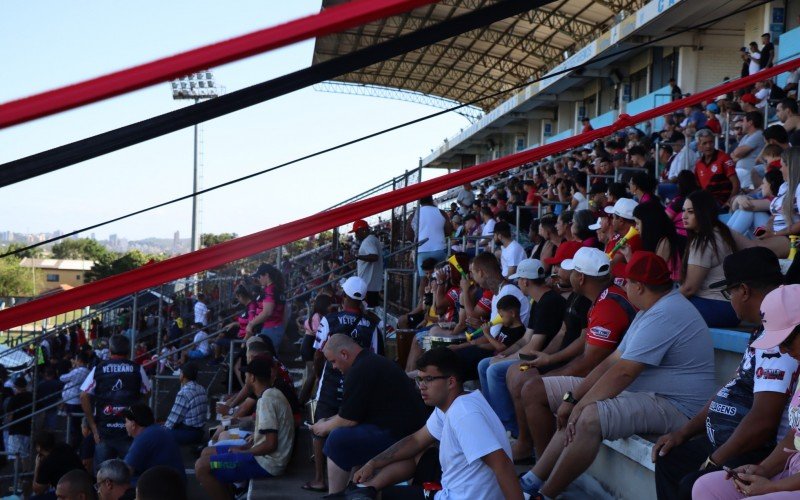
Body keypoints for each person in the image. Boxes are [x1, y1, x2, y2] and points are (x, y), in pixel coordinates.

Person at [519, 252, 715, 498]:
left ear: (639, 287)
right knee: (552, 393)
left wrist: (581, 404)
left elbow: (623, 373)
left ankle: (545, 494)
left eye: (626, 282)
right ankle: (533, 478)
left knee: (589, 416)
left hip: (678, 407)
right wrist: (573, 398)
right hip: (647, 393)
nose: (621, 285)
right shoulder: (649, 308)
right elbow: (610, 361)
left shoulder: (666, 312)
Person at [653, 248, 797, 499]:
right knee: (671, 460)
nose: (729, 300)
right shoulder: (764, 333)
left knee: (693, 483)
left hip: (757, 448)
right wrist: (684, 432)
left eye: (728, 292)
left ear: (743, 290)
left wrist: (715, 460)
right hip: (737, 444)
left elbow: (764, 421)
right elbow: (731, 386)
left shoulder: (784, 339)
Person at [350, 347, 523, 500]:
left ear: (451, 382)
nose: (421, 386)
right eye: (420, 379)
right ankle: (365, 489)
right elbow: (416, 440)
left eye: (429, 379)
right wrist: (373, 463)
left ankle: (364, 492)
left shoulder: (464, 414)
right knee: (423, 456)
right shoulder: (453, 403)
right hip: (455, 489)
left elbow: (502, 465)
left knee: (380, 497)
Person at [515, 247, 637, 460]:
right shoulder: (605, 295)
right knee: (527, 379)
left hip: (624, 384)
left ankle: (543, 462)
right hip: (613, 375)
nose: (567, 275)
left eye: (571, 271)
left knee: (532, 389)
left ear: (580, 278)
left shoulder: (608, 305)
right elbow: (586, 348)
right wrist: (551, 360)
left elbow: (589, 364)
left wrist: (549, 377)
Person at [692, 285, 800, 498]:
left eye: (786, 341)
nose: (783, 351)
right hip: (792, 470)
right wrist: (763, 469)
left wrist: (773, 487)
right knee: (705, 488)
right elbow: (795, 436)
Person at [310, 334, 428, 495]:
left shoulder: (360, 370)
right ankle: (351, 491)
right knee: (346, 437)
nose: (334, 367)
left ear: (344, 354)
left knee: (338, 440)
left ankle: (335, 495)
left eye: (333, 361)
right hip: (402, 429)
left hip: (403, 435)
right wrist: (327, 421)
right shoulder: (370, 362)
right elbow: (352, 413)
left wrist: (322, 427)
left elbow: (348, 420)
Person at [477, 258, 567, 439]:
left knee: (494, 370)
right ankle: (497, 420)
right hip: (534, 353)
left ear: (525, 281)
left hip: (545, 358)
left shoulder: (549, 302)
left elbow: (535, 345)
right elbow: (525, 339)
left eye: (519, 280)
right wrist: (504, 353)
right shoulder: (538, 301)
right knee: (484, 364)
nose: (518, 283)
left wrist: (505, 359)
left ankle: (510, 429)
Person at [305, 276, 380, 493]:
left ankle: (320, 479)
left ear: (344, 296)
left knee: (319, 429)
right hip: (358, 385)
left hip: (330, 383)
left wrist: (319, 377)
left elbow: (318, 354)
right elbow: (375, 356)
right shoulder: (372, 325)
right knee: (355, 427)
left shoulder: (330, 319)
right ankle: (353, 480)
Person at [196, 356, 294, 500]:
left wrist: (244, 451)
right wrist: (245, 447)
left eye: (247, 374)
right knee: (206, 452)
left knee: (202, 467)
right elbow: (265, 437)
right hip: (262, 457)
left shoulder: (266, 400)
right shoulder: (272, 394)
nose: (245, 377)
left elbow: (270, 444)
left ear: (252, 378)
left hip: (266, 464)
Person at [80, 334, 151, 471]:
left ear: (110, 351)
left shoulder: (99, 369)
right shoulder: (137, 368)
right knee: (130, 473)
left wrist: (93, 427)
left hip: (104, 432)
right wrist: (137, 406)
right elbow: (147, 392)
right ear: (128, 351)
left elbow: (83, 395)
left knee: (103, 475)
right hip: (129, 432)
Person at [680, 190, 739, 327]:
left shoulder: (704, 240)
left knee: (664, 312)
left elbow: (689, 288)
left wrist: (662, 302)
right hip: (730, 306)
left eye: (690, 212)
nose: (684, 216)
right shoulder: (721, 231)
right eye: (683, 211)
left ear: (702, 213)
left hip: (717, 306)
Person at [121, 403, 184, 484]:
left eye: (126, 421)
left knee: (115, 485)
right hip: (175, 485)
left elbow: (125, 472)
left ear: (133, 425)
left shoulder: (144, 438)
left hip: (164, 490)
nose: (125, 425)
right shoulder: (157, 430)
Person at [695, 129, 741, 210]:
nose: (708, 146)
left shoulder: (724, 158)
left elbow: (736, 183)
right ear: (699, 146)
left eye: (711, 142)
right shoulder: (698, 164)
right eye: (705, 143)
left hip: (721, 202)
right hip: (706, 201)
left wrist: (729, 202)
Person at [246, 263, 287, 353]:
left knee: (266, 360)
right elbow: (284, 313)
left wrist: (251, 324)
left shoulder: (270, 289)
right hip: (277, 327)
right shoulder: (278, 288)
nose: (259, 279)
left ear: (267, 275)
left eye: (260, 276)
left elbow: (267, 312)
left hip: (271, 329)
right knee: (271, 359)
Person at [163, 362, 207, 445]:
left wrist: (161, 431)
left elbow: (172, 420)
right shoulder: (201, 388)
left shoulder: (184, 393)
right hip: (200, 431)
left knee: (158, 435)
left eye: (180, 372)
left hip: (189, 433)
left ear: (183, 375)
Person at [31, 430, 84, 498]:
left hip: (68, 493)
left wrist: (37, 467)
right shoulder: (64, 446)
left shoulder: (47, 463)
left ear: (39, 447)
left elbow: (38, 490)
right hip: (84, 485)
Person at [410, 196, 452, 276]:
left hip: (422, 250)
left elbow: (409, 235)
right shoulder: (441, 212)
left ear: (419, 201)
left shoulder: (415, 214)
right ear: (431, 200)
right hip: (439, 249)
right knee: (441, 276)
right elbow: (449, 231)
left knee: (424, 280)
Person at [731, 112, 766, 190]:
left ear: (750, 123)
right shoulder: (746, 136)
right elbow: (733, 155)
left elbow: (737, 153)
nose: (742, 124)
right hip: (741, 173)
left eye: (743, 121)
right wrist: (739, 155)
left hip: (750, 173)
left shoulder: (759, 134)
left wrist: (739, 155)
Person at [6, 376, 33, 466]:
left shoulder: (14, 399)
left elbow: (10, 415)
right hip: (28, 428)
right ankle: (24, 475)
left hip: (15, 430)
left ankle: (20, 476)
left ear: (16, 387)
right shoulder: (31, 396)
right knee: (24, 452)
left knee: (17, 455)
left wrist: (7, 424)